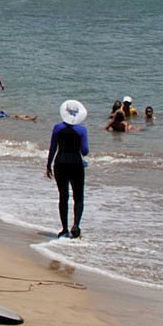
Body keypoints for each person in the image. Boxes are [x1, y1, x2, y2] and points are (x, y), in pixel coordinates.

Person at [47, 99, 90, 239]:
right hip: (76, 164)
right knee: (78, 197)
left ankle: (64, 228)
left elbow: (53, 148)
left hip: (60, 163)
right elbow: (85, 151)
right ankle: (76, 225)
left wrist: (48, 165)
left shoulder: (57, 128)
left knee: (63, 196)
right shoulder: (82, 130)